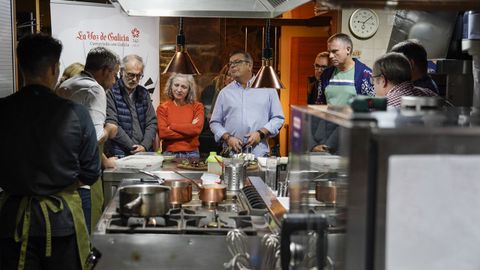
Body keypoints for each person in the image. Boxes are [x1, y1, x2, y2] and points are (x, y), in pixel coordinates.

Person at [0, 33, 100, 270]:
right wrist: (59, 185)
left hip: (11, 221)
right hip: (61, 222)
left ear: (21, 67)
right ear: (55, 68)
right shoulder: (76, 113)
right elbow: (91, 171)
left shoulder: (2, 110)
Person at [57, 46, 120, 233]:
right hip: (83, 178)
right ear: (105, 71)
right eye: (115, 74)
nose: (115, 81)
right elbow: (95, 136)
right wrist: (109, 130)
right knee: (87, 235)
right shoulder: (95, 89)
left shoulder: (66, 85)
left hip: (61, 173)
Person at [210, 50, 285, 158]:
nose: (232, 66)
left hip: (259, 154)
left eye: (237, 62)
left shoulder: (267, 89)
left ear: (249, 65)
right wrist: (228, 138)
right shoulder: (224, 93)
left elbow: (278, 118)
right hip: (231, 154)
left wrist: (260, 133)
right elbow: (215, 123)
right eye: (230, 63)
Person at [310, 33, 374, 154]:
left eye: (335, 51)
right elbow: (319, 107)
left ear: (348, 50)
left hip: (352, 138)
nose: (331, 55)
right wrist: (314, 143)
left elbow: (371, 109)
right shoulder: (326, 75)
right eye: (329, 52)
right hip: (327, 137)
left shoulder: (365, 74)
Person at [105, 54, 158, 157]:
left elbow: (151, 122)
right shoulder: (111, 92)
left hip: (143, 152)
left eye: (138, 75)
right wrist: (134, 148)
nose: (134, 79)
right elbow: (112, 124)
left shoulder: (144, 93)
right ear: (121, 72)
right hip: (118, 154)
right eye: (130, 75)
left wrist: (144, 146)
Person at [157, 73, 204, 158]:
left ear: (189, 89)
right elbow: (163, 133)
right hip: (169, 154)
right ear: (171, 86)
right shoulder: (162, 108)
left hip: (192, 153)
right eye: (176, 85)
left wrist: (172, 126)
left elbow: (196, 130)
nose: (179, 89)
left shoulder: (197, 107)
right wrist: (189, 130)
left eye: (184, 87)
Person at [372, 52, 438, 108]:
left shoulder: (384, 105)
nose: (373, 85)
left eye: (373, 80)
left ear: (383, 81)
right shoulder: (429, 93)